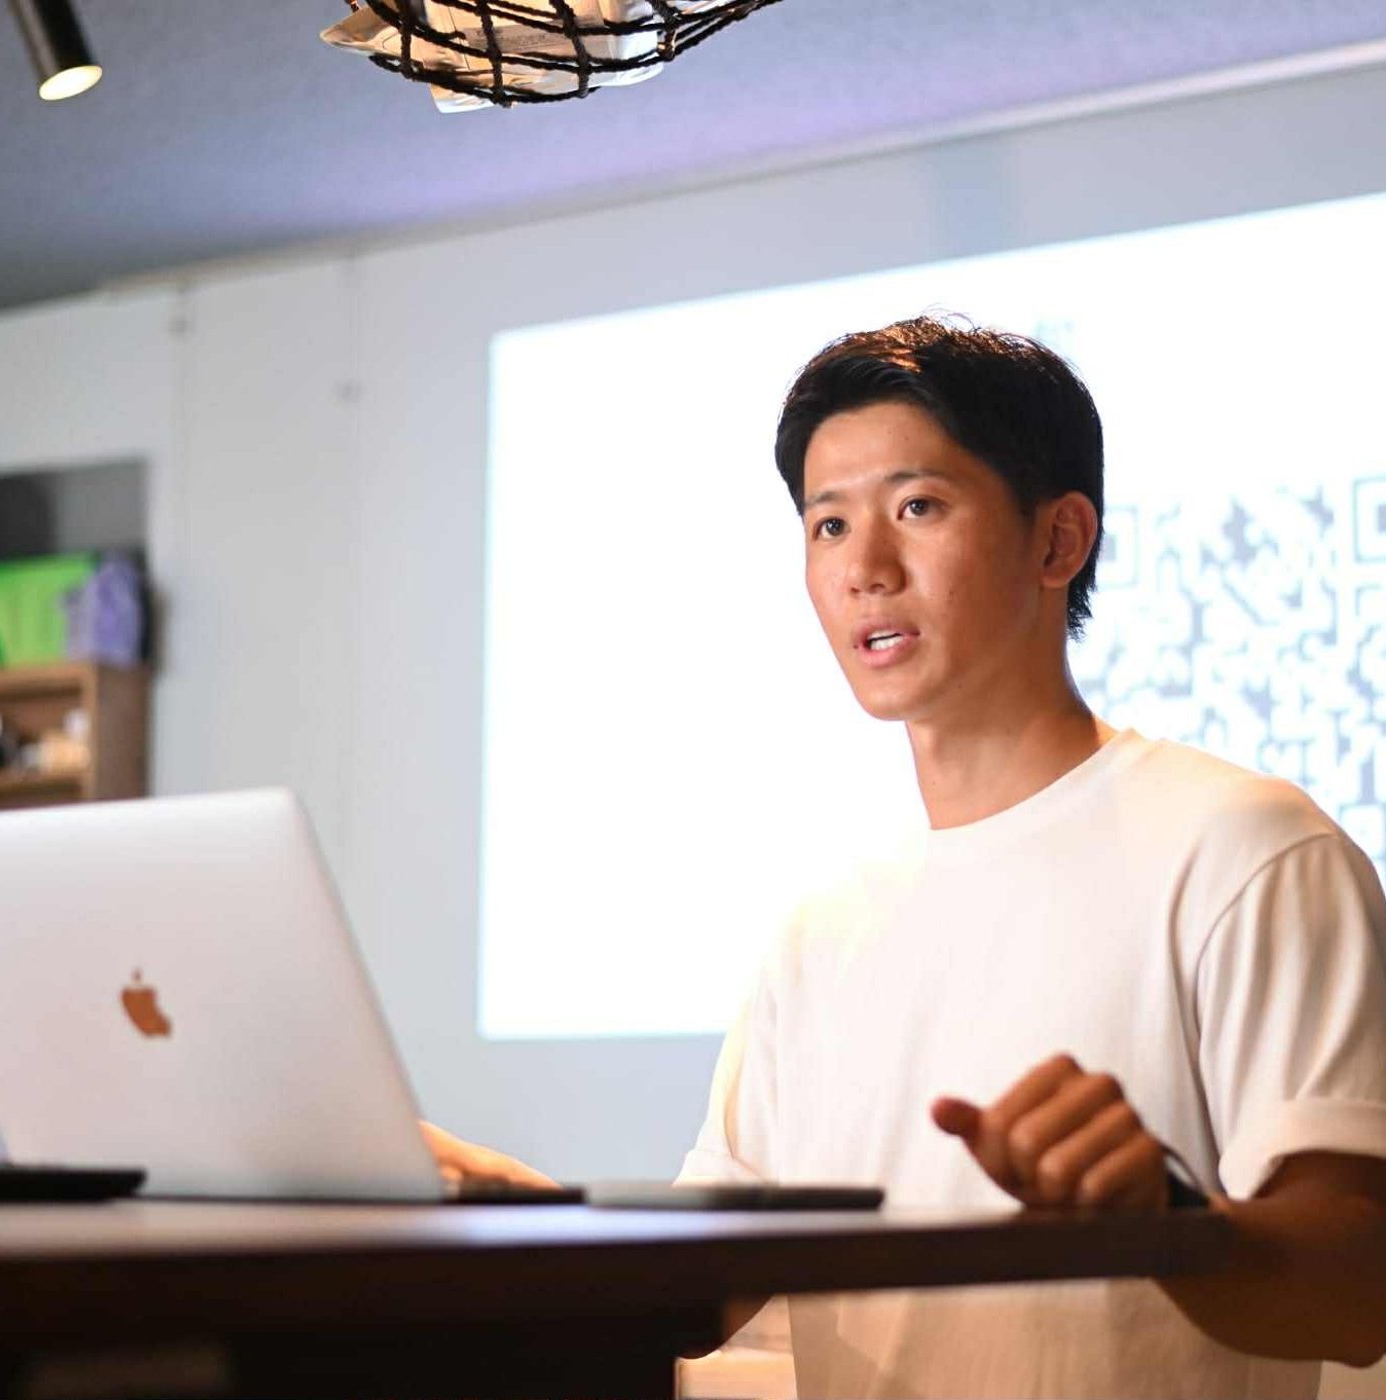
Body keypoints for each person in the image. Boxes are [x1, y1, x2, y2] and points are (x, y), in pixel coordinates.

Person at [423, 316, 1386, 1398]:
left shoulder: (1246, 846)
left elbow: (1357, 1290)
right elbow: (704, 1292)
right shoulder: (824, 924)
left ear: (1058, 540)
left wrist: (1161, 1216)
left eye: (917, 507)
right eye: (828, 524)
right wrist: (500, 1210)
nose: (864, 569)